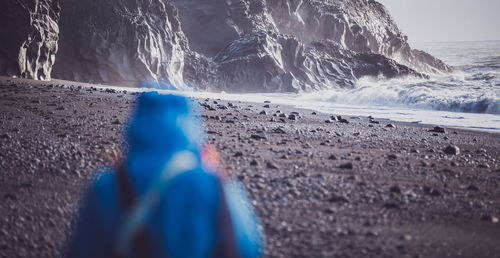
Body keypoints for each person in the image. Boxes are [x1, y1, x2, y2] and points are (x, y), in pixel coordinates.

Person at [65, 92, 263, 258]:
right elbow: (248, 247)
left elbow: (81, 249)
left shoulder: (107, 184)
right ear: (191, 123)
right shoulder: (215, 185)